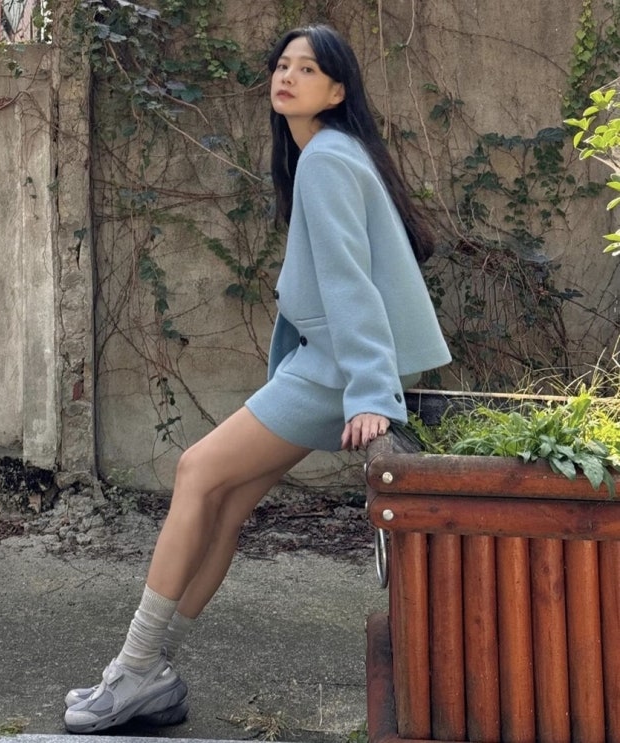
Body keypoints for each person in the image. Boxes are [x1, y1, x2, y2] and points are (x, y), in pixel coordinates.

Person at [63, 23, 451, 735]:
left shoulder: (326, 159)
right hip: (329, 362)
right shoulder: (329, 154)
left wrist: (371, 393)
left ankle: (135, 666)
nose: (287, 76)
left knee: (196, 472)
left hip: (336, 368)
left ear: (336, 91)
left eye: (308, 69)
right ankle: (150, 674)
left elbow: (352, 282)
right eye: (282, 65)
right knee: (225, 503)